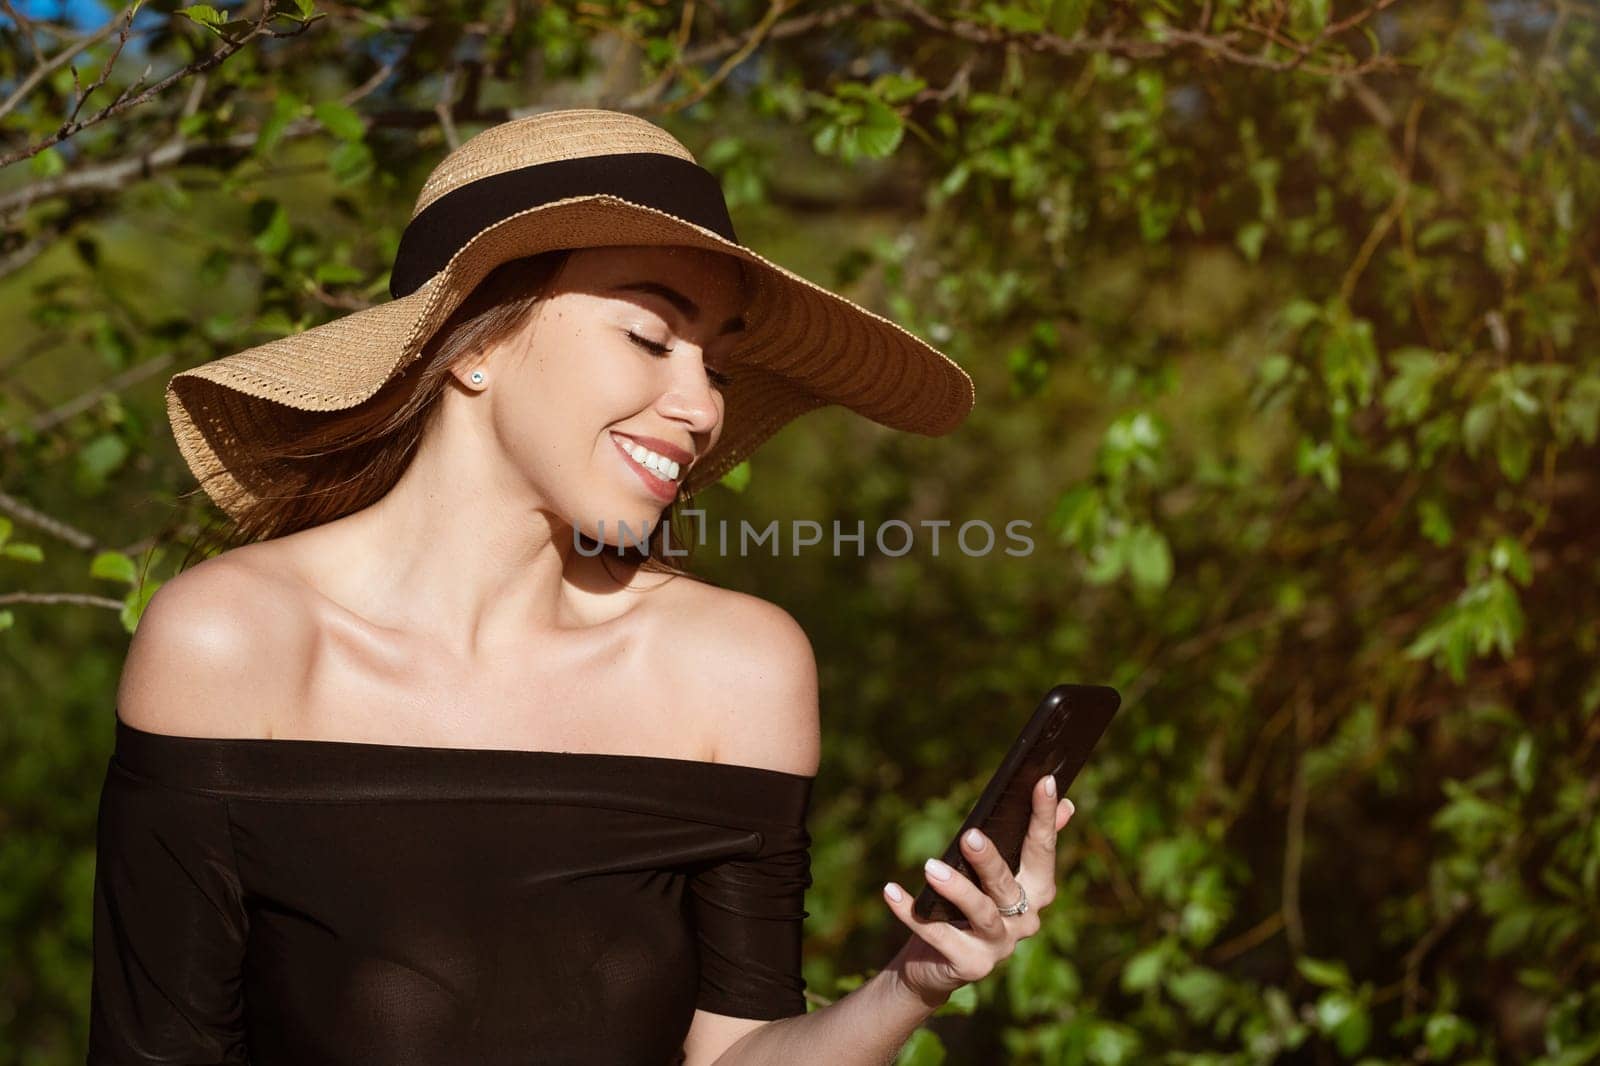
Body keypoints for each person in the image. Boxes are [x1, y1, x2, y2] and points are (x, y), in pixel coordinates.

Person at [88, 108, 1079, 1066]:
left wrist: (910, 981)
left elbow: (735, 1051)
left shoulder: (735, 670)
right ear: (471, 343)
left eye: (719, 365)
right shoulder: (232, 645)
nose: (697, 408)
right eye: (650, 337)